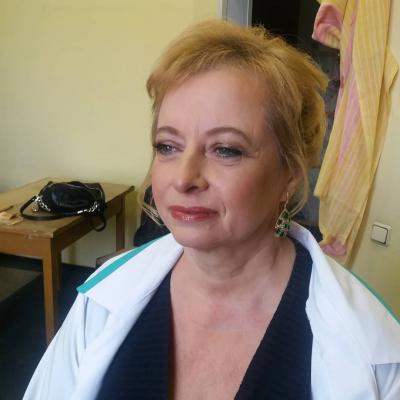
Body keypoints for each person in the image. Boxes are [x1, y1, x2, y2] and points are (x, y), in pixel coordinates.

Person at [24, 20, 400, 400]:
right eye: (168, 146)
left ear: (289, 173)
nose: (183, 178)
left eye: (226, 150)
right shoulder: (101, 298)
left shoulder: (374, 349)